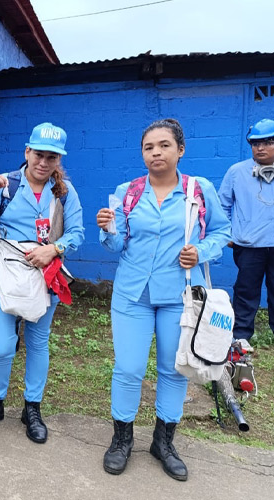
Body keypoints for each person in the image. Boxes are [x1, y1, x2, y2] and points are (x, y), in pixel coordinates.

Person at [96, 118, 230, 481]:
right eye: (149, 147)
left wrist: (201, 251)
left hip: (179, 297)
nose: (156, 152)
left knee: (175, 369)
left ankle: (163, 442)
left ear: (180, 150)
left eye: (164, 145)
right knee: (128, 368)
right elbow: (118, 244)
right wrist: (107, 227)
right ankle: (121, 440)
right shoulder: (129, 191)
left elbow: (222, 230)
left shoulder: (197, 190)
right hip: (131, 294)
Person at [0, 122, 84, 443]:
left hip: (46, 277)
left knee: (37, 342)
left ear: (58, 160)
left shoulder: (64, 191)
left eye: (52, 157)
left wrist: (54, 248)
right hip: (4, 274)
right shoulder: (6, 185)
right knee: (3, 345)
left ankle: (32, 407)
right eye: (38, 155)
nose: (44, 163)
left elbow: (76, 233)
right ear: (27, 152)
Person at [218, 118, 274, 342]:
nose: (260, 148)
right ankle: (240, 340)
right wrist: (228, 234)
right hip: (249, 247)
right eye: (255, 143)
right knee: (245, 294)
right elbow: (223, 204)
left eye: (267, 142)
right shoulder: (237, 172)